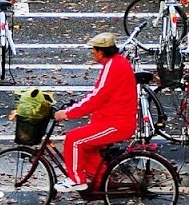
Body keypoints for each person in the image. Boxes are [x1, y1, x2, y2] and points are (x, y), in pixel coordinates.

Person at [53, 32, 137, 192]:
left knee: (74, 139)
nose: (92, 52)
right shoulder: (117, 63)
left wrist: (69, 113)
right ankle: (102, 182)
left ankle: (77, 179)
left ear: (101, 51)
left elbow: (98, 96)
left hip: (116, 123)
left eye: (94, 50)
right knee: (88, 148)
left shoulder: (113, 66)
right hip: (114, 120)